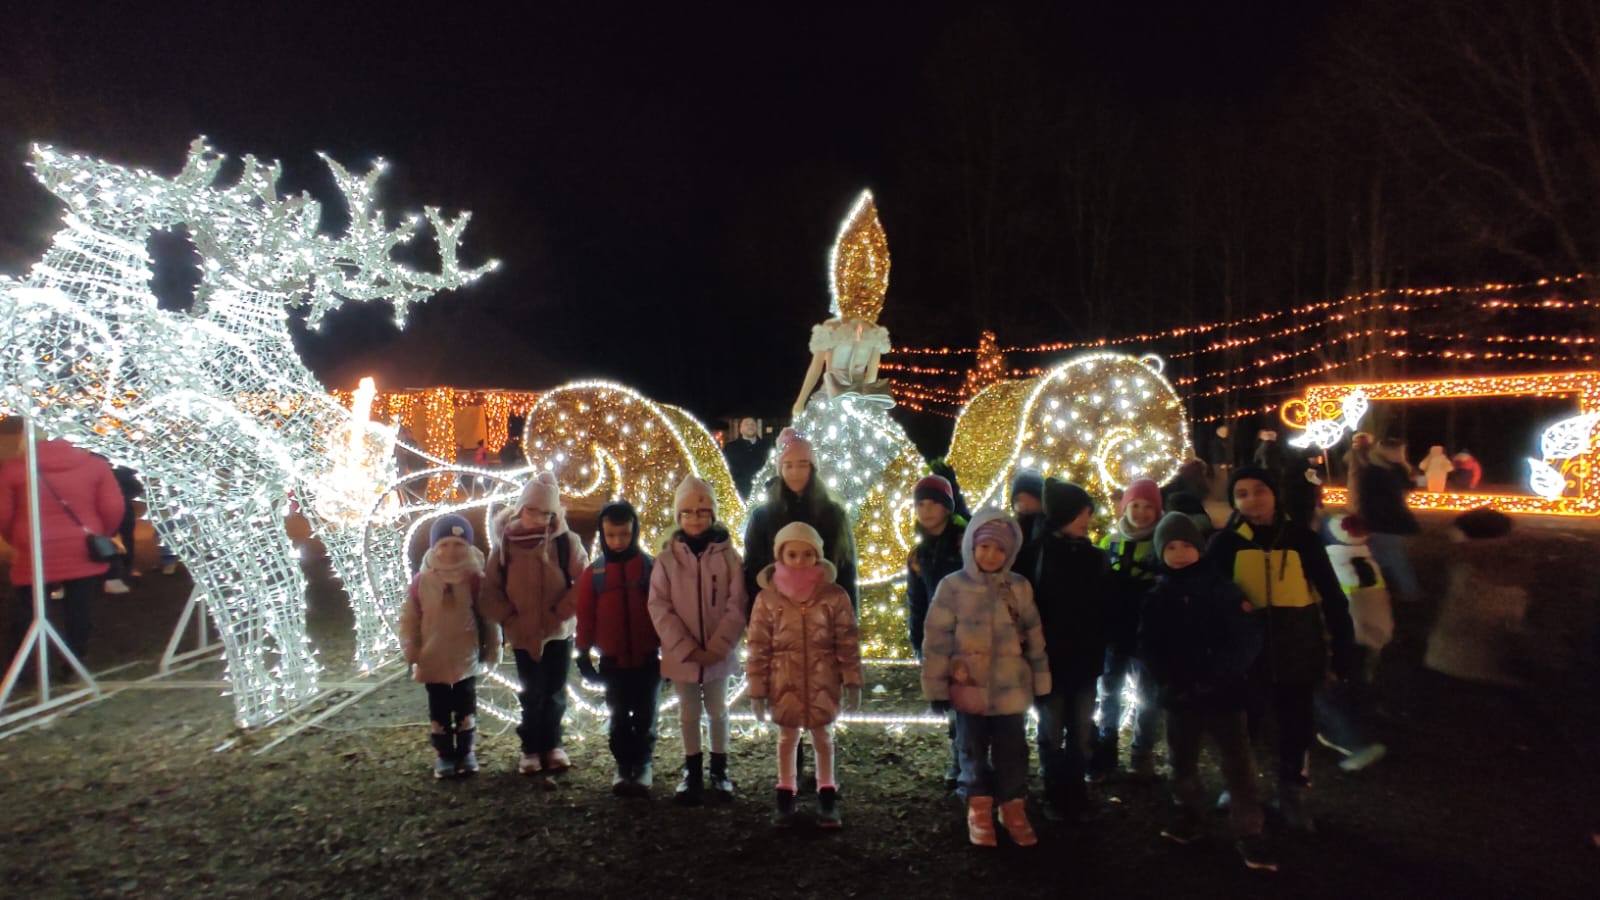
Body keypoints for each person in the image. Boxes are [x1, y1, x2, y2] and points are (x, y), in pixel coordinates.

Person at [1206, 466, 1357, 833]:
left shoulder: (1302, 540)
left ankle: (1293, 791)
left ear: (1274, 494)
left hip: (1297, 648)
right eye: (1242, 493)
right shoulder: (1225, 544)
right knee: (1245, 725)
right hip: (1246, 653)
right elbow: (1209, 592)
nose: (1252, 499)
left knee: (1297, 724)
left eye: (1259, 490)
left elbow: (1333, 597)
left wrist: (1343, 648)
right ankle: (1238, 787)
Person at [1138, 512, 1275, 871]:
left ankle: (1249, 830)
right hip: (1180, 696)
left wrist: (1218, 675)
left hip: (1223, 694)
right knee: (1181, 761)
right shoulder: (1158, 596)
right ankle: (1190, 816)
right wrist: (1168, 680)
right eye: (1170, 547)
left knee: (1237, 764)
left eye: (1186, 545)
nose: (1179, 553)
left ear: (1199, 548)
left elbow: (1245, 639)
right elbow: (1149, 646)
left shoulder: (1223, 590)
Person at [921, 509, 1051, 849]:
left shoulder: (1018, 588)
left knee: (1013, 749)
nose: (991, 555)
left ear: (1010, 553)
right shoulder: (952, 587)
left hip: (1010, 689)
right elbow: (937, 640)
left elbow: (1034, 637)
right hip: (969, 688)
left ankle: (1012, 805)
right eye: (984, 547)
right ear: (971, 546)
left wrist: (1040, 681)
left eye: (999, 549)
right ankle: (978, 806)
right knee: (971, 747)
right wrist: (936, 687)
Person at [747, 521, 863, 828]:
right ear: (780, 556)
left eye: (807, 554)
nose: (800, 561)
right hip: (783, 681)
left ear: (817, 556)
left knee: (823, 737)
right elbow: (758, 647)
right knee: (787, 737)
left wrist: (852, 680)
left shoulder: (833, 596)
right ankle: (786, 794)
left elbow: (847, 641)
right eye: (792, 555)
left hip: (823, 679)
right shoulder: (768, 599)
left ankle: (827, 794)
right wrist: (757, 690)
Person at [480, 471, 588, 776]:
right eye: (531, 510)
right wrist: (509, 619)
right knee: (530, 693)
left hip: (557, 632)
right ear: (520, 509)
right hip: (523, 633)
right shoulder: (505, 545)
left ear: (553, 514)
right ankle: (530, 747)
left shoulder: (566, 542)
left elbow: (584, 580)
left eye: (544, 513)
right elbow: (490, 590)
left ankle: (552, 744)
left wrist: (562, 612)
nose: (536, 518)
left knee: (554, 691)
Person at [649, 475, 748, 805]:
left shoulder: (729, 558)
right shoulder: (666, 561)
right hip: (684, 656)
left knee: (718, 710)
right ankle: (692, 771)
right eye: (688, 512)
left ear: (713, 514)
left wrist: (719, 647)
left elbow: (737, 604)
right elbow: (659, 606)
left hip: (718, 653)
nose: (695, 518)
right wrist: (685, 647)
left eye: (702, 511)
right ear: (678, 515)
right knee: (688, 713)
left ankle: (719, 770)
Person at [0, 437, 124, 679]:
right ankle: (74, 663)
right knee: (79, 608)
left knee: (28, 607)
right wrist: (102, 534)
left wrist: (15, 538)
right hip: (81, 546)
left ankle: (18, 668)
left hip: (33, 547)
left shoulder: (14, 469)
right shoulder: (94, 465)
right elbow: (113, 507)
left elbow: (2, 513)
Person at [1029, 478, 1108, 821]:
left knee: (1080, 729)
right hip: (1051, 661)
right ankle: (1054, 791)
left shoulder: (1094, 557)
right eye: (1081, 512)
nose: (1087, 519)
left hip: (1085, 660)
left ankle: (1076, 792)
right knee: (1051, 729)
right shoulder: (1038, 555)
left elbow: (1105, 605)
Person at [574, 501, 660, 797]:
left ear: (634, 532)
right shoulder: (594, 574)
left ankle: (643, 762)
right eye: (611, 535)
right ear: (602, 534)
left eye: (624, 534)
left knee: (646, 715)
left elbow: (662, 612)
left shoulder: (649, 568)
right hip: (613, 662)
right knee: (619, 716)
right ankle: (624, 764)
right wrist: (583, 653)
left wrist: (670, 650)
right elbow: (585, 616)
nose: (618, 541)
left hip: (648, 659)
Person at [399, 514, 494, 779]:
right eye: (444, 544)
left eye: (458, 544)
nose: (451, 550)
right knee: (439, 707)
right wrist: (411, 648)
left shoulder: (475, 579)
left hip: (465, 654)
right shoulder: (422, 581)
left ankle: (465, 751)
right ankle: (444, 754)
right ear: (434, 547)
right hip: (433, 655)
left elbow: (488, 616)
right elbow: (409, 618)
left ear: (468, 546)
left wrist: (492, 646)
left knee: (466, 704)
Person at [1092, 477, 1163, 781]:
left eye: (1149, 507)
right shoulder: (1109, 542)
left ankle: (1141, 753)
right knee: (1109, 691)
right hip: (1115, 631)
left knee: (1148, 694)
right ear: (1124, 507)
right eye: (1135, 505)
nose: (1141, 513)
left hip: (1148, 632)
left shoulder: (1161, 543)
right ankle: (1106, 749)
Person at [742, 428, 857, 609]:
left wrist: (848, 616)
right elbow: (752, 573)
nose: (795, 472)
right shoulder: (762, 517)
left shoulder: (833, 514)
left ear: (812, 468)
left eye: (802, 464)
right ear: (781, 470)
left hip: (823, 615)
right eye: (788, 465)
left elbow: (845, 570)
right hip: (778, 616)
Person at [906, 474, 968, 790]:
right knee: (954, 702)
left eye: (933, 503)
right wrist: (918, 641)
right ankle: (960, 760)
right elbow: (916, 601)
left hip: (970, 632)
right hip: (939, 637)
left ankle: (976, 760)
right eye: (921, 504)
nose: (926, 510)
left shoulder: (963, 543)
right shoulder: (919, 555)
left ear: (946, 507)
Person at [1314, 515, 1389, 773]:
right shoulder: (1367, 561)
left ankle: (1353, 741)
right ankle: (1363, 723)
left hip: (1343, 638)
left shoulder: (1329, 566)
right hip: (1372, 635)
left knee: (1323, 691)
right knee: (1354, 684)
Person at [1354, 438, 1422, 603]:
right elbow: (1367, 498)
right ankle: (1405, 591)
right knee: (1389, 557)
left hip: (1390, 520)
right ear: (1387, 451)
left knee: (1387, 556)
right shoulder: (1373, 471)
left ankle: (1405, 592)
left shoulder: (1394, 468)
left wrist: (1405, 466)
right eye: (1398, 451)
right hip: (1382, 519)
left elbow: (1409, 486)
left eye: (1402, 452)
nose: (1401, 455)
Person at [1008, 469, 1046, 580]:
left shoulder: (1049, 531)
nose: (1023, 504)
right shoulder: (1009, 531)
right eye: (1018, 499)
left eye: (1030, 497)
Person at [723, 417, 769, 500]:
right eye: (746, 424)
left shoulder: (767, 446)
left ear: (757, 427)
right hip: (739, 494)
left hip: (764, 493)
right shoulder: (730, 448)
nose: (750, 426)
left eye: (752, 424)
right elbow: (725, 469)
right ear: (740, 429)